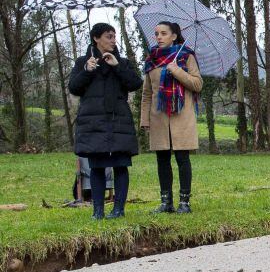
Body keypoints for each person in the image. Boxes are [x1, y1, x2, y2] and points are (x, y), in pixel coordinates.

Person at [68, 23, 143, 220]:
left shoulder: (122, 62)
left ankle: (119, 210)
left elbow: (135, 83)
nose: (113, 40)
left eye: (114, 36)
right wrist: (87, 70)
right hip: (93, 122)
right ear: (96, 38)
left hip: (118, 121)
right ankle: (98, 211)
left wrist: (117, 66)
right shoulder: (83, 62)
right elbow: (74, 88)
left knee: (120, 164)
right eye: (109, 36)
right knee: (97, 165)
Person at [141, 21, 203, 214]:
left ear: (174, 36)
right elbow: (147, 93)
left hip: (181, 116)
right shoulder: (152, 59)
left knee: (182, 159)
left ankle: (184, 203)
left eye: (163, 33)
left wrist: (177, 71)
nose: (158, 37)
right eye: (157, 33)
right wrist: (144, 119)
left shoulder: (186, 57)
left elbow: (198, 84)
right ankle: (166, 202)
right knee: (162, 159)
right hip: (158, 116)